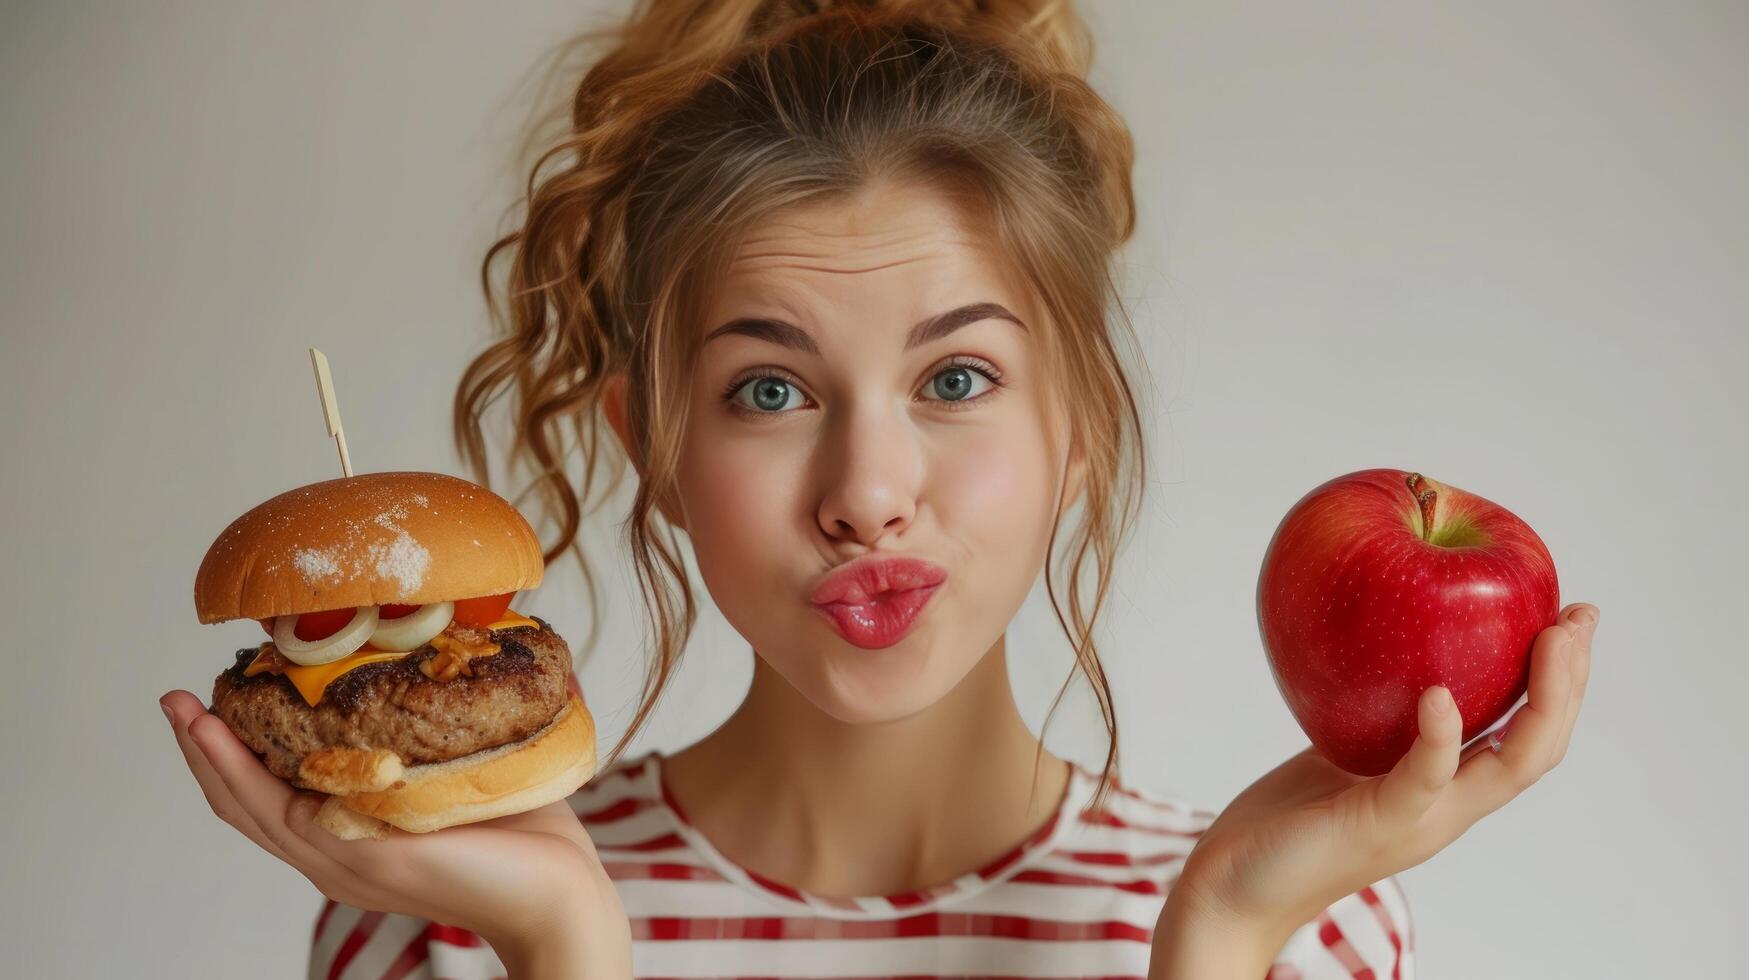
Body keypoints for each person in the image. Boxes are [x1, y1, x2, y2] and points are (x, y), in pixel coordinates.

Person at [160, 1, 1600, 976]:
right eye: (769, 391)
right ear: (651, 443)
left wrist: (1220, 929)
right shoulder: (436, 923)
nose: (867, 493)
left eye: (956, 379)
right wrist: (560, 949)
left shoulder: (1301, 924)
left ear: (1080, 427)